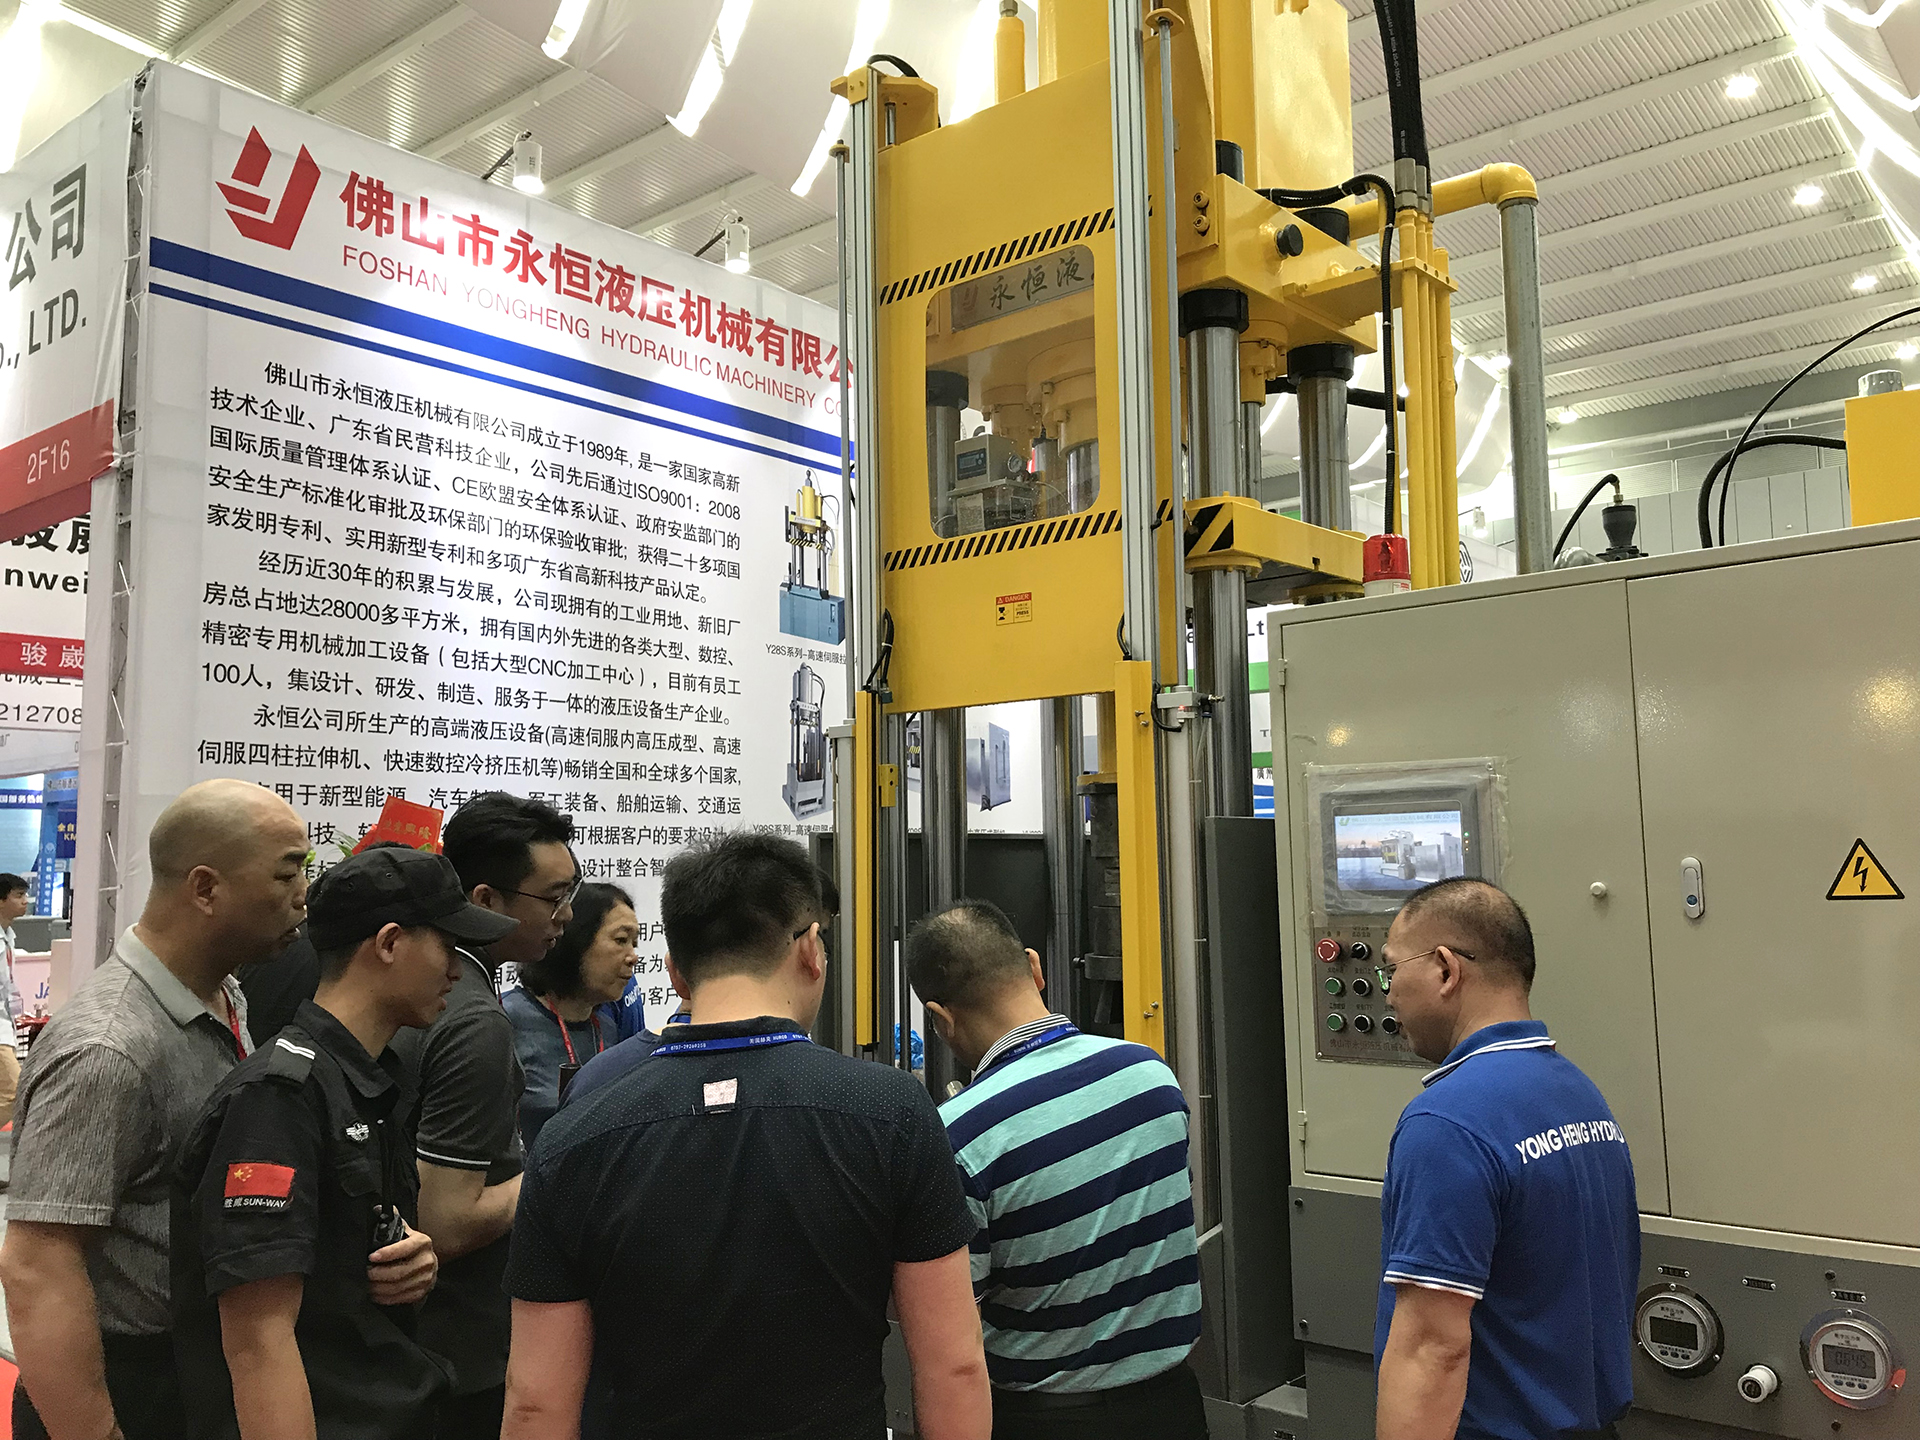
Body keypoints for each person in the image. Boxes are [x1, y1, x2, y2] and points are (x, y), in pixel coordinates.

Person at [501, 832, 990, 1440]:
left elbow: (536, 1403)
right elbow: (953, 1366)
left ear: (677, 974)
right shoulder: (892, 1112)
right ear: (811, 950)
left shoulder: (571, 1137)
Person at [171, 845, 521, 1439]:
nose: (457, 972)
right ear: (389, 944)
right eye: (446, 946)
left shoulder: (365, 1082)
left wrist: (408, 1257)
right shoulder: (278, 1098)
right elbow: (257, 1339)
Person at [1, 780, 310, 1440]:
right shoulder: (108, 1047)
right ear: (205, 888)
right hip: (127, 1386)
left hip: (196, 1367)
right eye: (287, 874)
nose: (302, 895)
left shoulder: (223, 995)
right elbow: (37, 1265)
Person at [906, 900, 1207, 1440]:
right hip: (1175, 1406)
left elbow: (956, 1330)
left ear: (940, 1019)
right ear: (1035, 967)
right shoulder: (1150, 1073)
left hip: (1042, 1419)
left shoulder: (959, 1136)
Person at [1371, 877, 1638, 1440]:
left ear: (1445, 969)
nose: (1388, 995)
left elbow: (1432, 1350)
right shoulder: (1575, 1090)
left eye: (1391, 969)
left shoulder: (1446, 1123)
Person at [393, 791, 578, 1439]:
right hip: (455, 1351)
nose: (566, 915)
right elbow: (446, 1220)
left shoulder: (432, 989)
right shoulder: (471, 1018)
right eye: (553, 896)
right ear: (485, 899)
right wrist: (559, 1168)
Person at [501, 882, 635, 1148]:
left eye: (635, 944)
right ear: (575, 939)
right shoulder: (507, 1019)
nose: (633, 957)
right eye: (621, 940)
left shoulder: (607, 1026)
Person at [0, 871, 32, 1125]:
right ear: (1, 901)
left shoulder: (8, 936)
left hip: (5, 1023)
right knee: (13, 1093)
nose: (25, 901)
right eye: (19, 895)